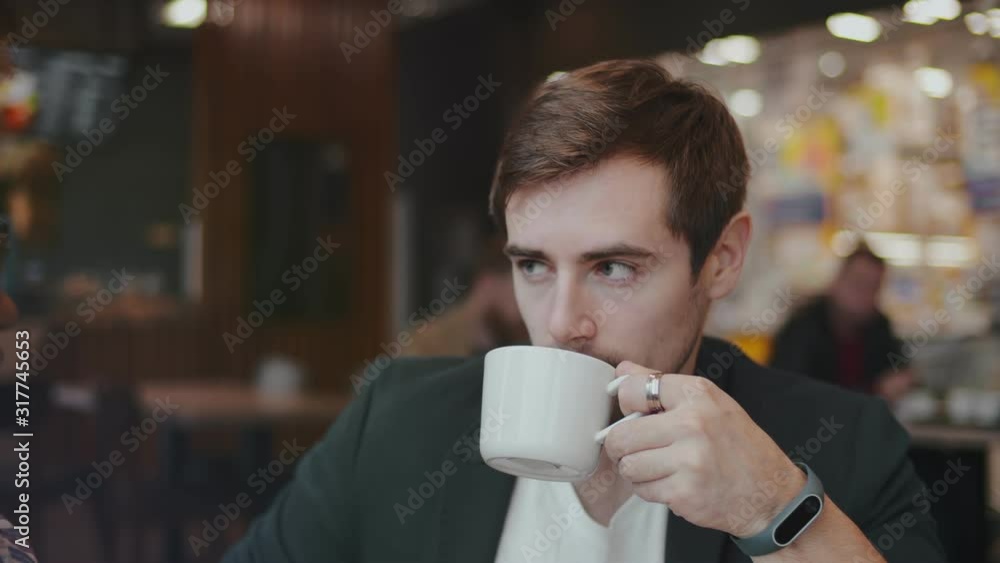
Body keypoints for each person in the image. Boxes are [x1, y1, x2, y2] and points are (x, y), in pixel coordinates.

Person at [223, 60, 944, 562]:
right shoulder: (398, 423)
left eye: (613, 267)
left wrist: (771, 509)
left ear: (721, 258)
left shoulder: (840, 447)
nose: (563, 321)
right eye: (533, 265)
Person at [769, 244, 914, 403]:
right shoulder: (803, 326)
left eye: (873, 287)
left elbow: (900, 366)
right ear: (838, 280)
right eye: (858, 283)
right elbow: (792, 390)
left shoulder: (878, 326)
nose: (864, 295)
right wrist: (875, 389)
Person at [403, 235, 528, 357]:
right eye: (518, 290)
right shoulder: (424, 347)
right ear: (487, 283)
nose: (525, 307)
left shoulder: (512, 345)